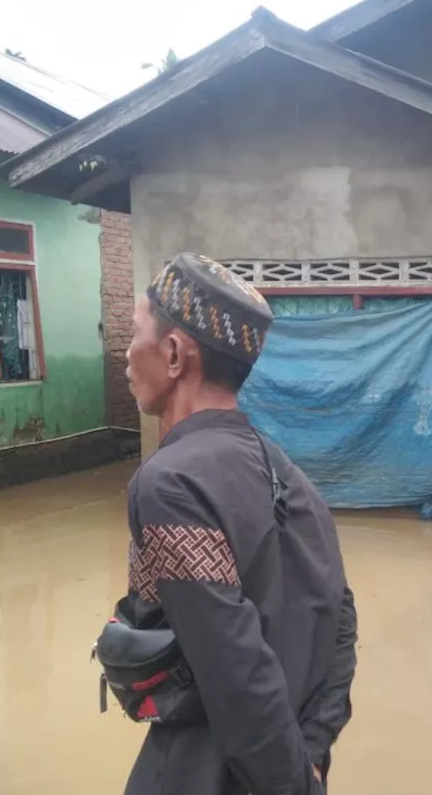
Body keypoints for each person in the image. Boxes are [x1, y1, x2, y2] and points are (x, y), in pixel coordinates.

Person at [120, 253, 357, 795]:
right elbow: (341, 625)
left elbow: (235, 671)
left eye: (134, 333)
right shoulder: (291, 474)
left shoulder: (169, 485)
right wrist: (312, 756)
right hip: (290, 761)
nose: (126, 354)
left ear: (175, 353)